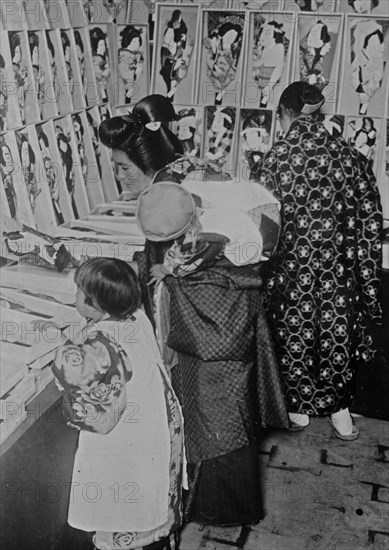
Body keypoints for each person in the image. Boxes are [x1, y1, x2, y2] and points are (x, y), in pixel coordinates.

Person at [252, 81, 383, 440]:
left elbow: (259, 227)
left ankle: (297, 409)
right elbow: (370, 220)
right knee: (335, 333)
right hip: (339, 272)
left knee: (292, 334)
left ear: (284, 114)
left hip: (288, 273)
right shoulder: (350, 155)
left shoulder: (275, 159)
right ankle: (341, 413)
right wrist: (366, 279)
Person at [50, 258, 184, 550]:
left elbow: (92, 411)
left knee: (124, 512)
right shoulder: (136, 316)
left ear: (94, 304)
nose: (74, 297)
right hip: (157, 431)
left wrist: (66, 346)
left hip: (127, 446)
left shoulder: (103, 346)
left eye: (78, 291)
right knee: (155, 508)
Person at [252, 20, 286, 107]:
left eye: (267, 33)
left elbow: (278, 68)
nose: (262, 36)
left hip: (272, 78)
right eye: (262, 33)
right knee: (261, 98)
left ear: (275, 36)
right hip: (262, 76)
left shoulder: (279, 47)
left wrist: (270, 85)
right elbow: (261, 62)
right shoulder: (266, 47)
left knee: (266, 100)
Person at [159, 9, 190, 101]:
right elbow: (175, 40)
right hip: (170, 56)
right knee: (172, 85)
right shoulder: (173, 27)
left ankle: (167, 101)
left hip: (172, 55)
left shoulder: (176, 27)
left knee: (173, 86)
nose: (180, 18)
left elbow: (179, 42)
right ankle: (167, 101)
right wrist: (178, 32)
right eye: (179, 16)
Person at [299, 20, 331, 90]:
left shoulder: (318, 54)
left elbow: (318, 69)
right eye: (312, 33)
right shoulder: (303, 49)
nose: (311, 37)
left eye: (314, 34)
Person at [118, 25, 144, 104]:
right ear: (128, 41)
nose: (137, 44)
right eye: (134, 42)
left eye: (138, 41)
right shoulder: (124, 53)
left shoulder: (135, 54)